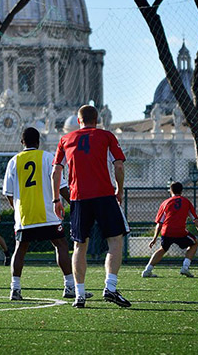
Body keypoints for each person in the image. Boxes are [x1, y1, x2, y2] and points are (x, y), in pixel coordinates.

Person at [51, 104, 130, 308]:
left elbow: (55, 172)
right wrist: (119, 190)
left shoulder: (65, 139)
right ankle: (110, 288)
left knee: (79, 246)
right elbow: (119, 165)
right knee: (115, 240)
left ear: (79, 121)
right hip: (104, 195)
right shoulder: (106, 136)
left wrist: (56, 200)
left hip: (78, 198)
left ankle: (79, 294)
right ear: (98, 120)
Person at [3, 127, 92, 301]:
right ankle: (69, 287)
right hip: (49, 213)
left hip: (25, 216)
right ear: (38, 142)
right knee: (61, 245)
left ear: (22, 142)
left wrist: (18, 210)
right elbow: (61, 186)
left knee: (20, 249)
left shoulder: (13, 161)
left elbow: (8, 193)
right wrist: (74, 205)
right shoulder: (48, 157)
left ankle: (15, 289)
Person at [142, 182, 198, 278]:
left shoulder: (165, 203)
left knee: (163, 249)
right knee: (194, 243)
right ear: (181, 191)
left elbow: (159, 223)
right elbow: (196, 220)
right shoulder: (186, 202)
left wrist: (155, 238)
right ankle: (185, 267)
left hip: (166, 231)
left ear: (170, 191)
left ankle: (147, 270)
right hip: (180, 232)